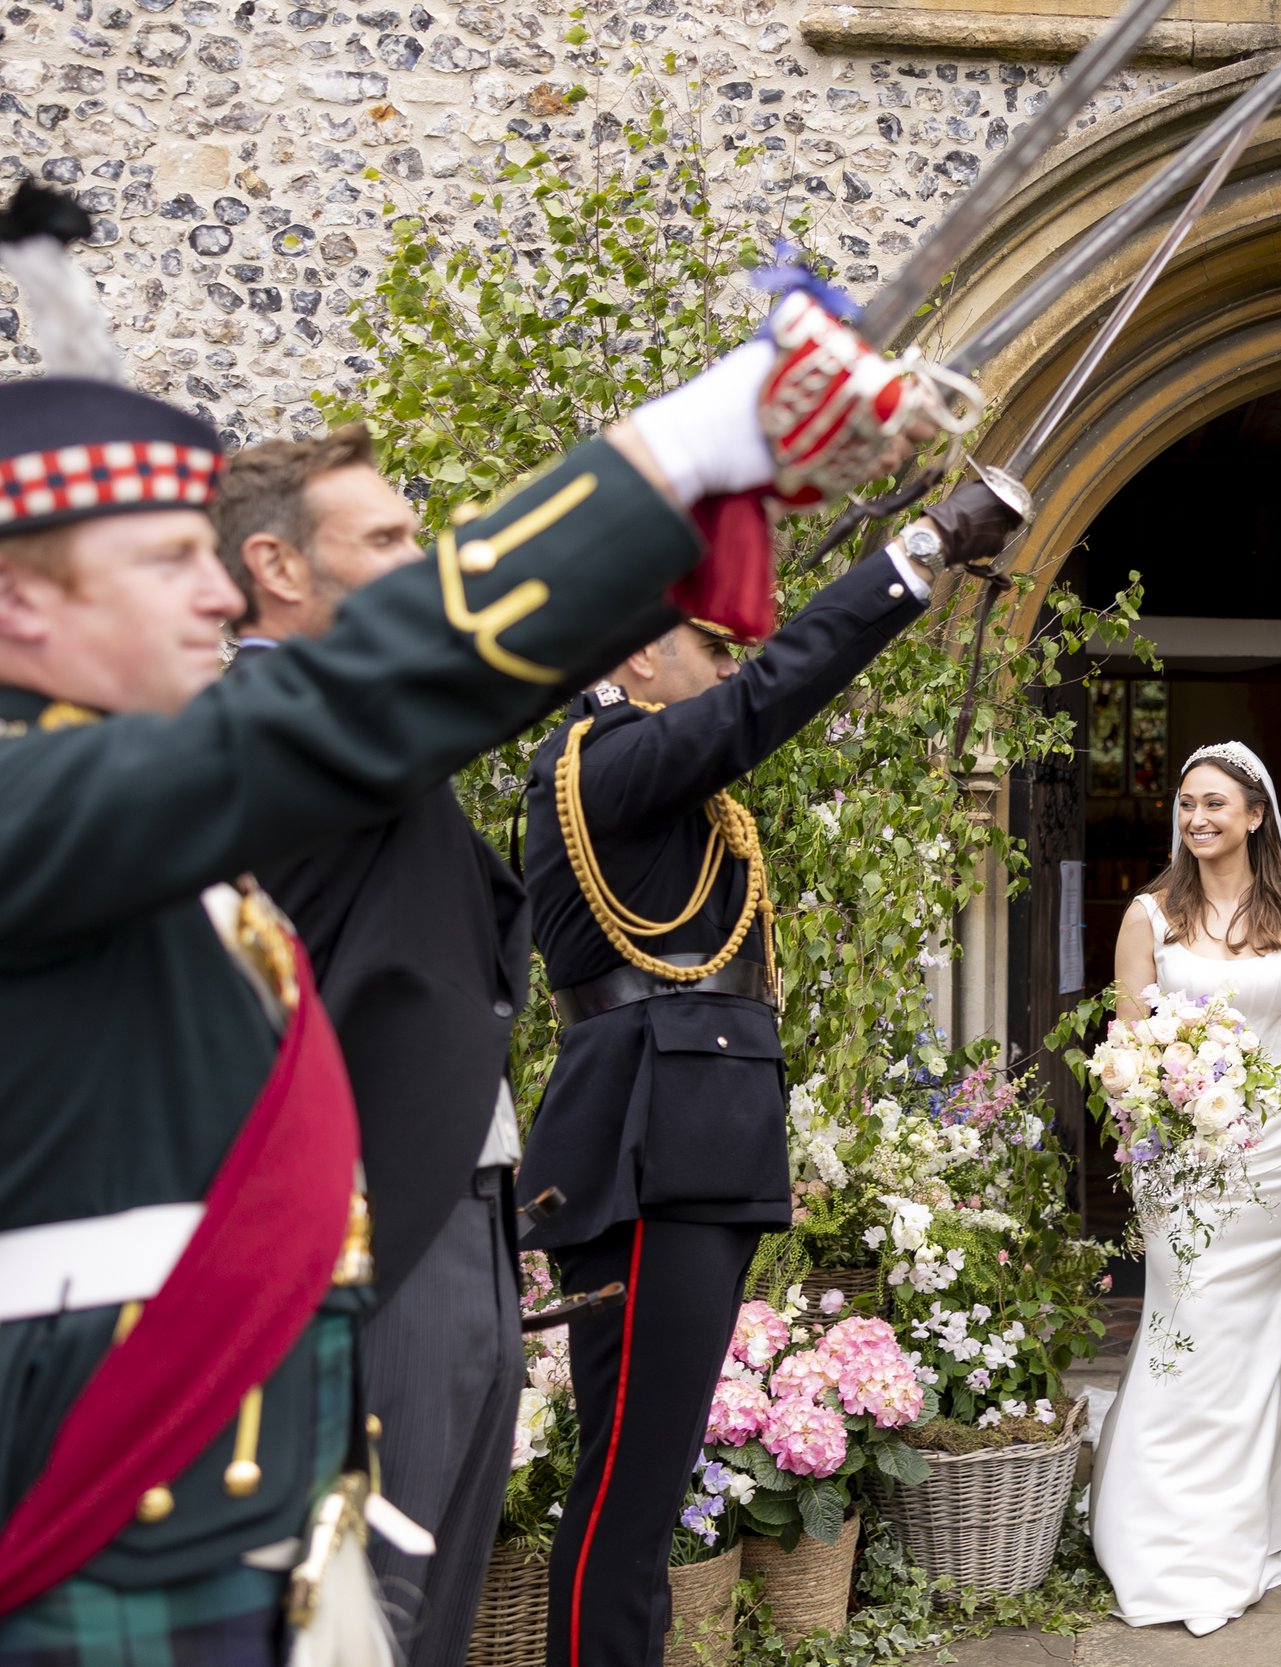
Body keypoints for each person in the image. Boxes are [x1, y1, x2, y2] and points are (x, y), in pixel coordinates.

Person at [0, 178, 945, 1663]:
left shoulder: (129, 792)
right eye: (164, 562)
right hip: (113, 1473)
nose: (213, 596)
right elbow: (377, 687)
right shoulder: (41, 796)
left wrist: (722, 485)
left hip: (234, 1438)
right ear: (20, 608)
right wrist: (695, 442)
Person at [514, 477, 1024, 1667]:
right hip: (650, 1151)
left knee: (646, 1482)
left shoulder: (654, 785)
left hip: (691, 1145)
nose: (729, 666)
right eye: (710, 645)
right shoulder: (599, 761)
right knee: (628, 1487)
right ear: (640, 655)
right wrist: (920, 551)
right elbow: (765, 700)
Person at [213, 423, 527, 1667]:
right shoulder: (272, 719)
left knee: (431, 1609)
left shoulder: (355, 721)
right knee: (370, 1617)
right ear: (279, 566)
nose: (421, 558)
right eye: (388, 536)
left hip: (464, 1200)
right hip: (370, 1224)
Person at [1089, 741, 1281, 1633]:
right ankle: (1165, 1520)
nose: (1196, 818)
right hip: (1180, 1155)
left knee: (1262, 1327)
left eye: (1215, 803)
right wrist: (1144, 1117)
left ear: (1255, 814)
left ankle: (1260, 1503)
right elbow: (1125, 1046)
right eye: (1187, 803)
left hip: (1274, 1151)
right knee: (1187, 1315)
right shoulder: (1148, 915)